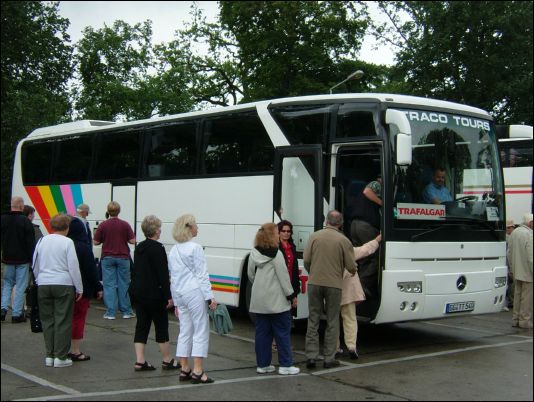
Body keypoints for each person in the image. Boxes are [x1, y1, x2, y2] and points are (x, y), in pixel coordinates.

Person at [303, 210, 357, 369]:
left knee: (313, 319)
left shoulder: (314, 236)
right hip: (334, 284)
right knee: (332, 321)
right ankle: (329, 358)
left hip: (314, 282)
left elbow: (306, 260)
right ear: (340, 223)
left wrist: (313, 272)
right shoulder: (344, 240)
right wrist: (352, 270)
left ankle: (311, 357)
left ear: (326, 221)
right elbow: (351, 266)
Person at [168, 214, 217, 384]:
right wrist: (210, 296)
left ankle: (184, 368)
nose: (198, 228)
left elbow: (172, 278)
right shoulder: (195, 248)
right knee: (201, 329)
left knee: (185, 331)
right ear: (189, 227)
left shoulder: (173, 250)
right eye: (196, 225)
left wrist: (174, 300)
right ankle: (198, 370)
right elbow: (202, 275)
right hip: (194, 292)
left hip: (180, 293)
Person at [248, 223, 300, 376]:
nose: (279, 234)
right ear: (272, 235)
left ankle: (263, 365)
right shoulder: (277, 254)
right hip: (277, 301)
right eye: (278, 232)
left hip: (259, 300)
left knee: (262, 333)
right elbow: (283, 277)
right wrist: (291, 296)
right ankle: (285, 365)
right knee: (282, 332)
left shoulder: (254, 252)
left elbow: (251, 274)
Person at [130, 215, 180, 371]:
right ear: (156, 231)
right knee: (161, 326)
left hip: (138, 292)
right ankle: (167, 359)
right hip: (154, 294)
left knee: (141, 326)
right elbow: (162, 275)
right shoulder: (158, 248)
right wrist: (169, 296)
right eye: (159, 228)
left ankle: (140, 360)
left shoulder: (139, 247)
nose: (160, 231)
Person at [33, 214, 83, 368]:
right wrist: (79, 287)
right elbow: (73, 266)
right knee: (63, 320)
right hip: (63, 283)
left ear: (51, 227)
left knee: (47, 320)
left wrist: (38, 279)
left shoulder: (42, 241)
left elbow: (35, 263)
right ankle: (60, 357)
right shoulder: (68, 242)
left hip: (43, 283)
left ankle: (50, 354)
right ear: (67, 227)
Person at [338, 234, 381, 360]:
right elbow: (365, 250)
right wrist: (378, 240)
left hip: (332, 290)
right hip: (348, 291)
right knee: (350, 319)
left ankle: (334, 348)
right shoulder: (348, 251)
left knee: (333, 321)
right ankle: (351, 347)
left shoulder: (327, 252)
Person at [67, 216, 103, 362]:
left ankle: (59, 349)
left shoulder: (65, 245)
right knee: (78, 318)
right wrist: (98, 287)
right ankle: (75, 350)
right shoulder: (83, 247)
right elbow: (90, 270)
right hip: (83, 288)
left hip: (64, 286)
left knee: (63, 318)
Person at [93, 201, 136, 320]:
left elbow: (96, 242)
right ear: (119, 211)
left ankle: (111, 312)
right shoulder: (125, 224)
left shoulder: (103, 225)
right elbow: (132, 241)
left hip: (107, 257)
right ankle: (126, 311)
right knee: (124, 284)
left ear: (108, 211)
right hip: (123, 257)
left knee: (109, 285)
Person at [1, 196, 36, 323]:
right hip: (22, 260)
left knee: (7, 284)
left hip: (7, 258)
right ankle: (16, 314)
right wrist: (33, 259)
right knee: (20, 286)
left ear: (11, 205)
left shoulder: (3, 219)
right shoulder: (25, 221)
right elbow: (30, 242)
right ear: (21, 206)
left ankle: (3, 309)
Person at [350, 175, 382, 298]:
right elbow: (367, 191)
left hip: (355, 225)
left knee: (362, 258)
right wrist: (382, 203)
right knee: (375, 258)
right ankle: (361, 286)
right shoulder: (377, 184)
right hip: (366, 226)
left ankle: (359, 288)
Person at [507, 213, 533, 329]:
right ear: (530, 222)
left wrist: (512, 269)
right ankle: (524, 321)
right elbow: (531, 257)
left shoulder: (515, 232)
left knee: (517, 297)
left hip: (517, 271)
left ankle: (515, 319)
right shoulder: (529, 234)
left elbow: (509, 253)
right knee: (527, 299)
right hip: (528, 272)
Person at [504, 219, 516, 311]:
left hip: (511, 264)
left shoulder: (514, 237)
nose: (509, 229)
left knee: (512, 285)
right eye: (507, 228)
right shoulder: (505, 238)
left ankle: (511, 301)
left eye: (510, 228)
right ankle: (507, 302)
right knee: (507, 284)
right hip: (506, 264)